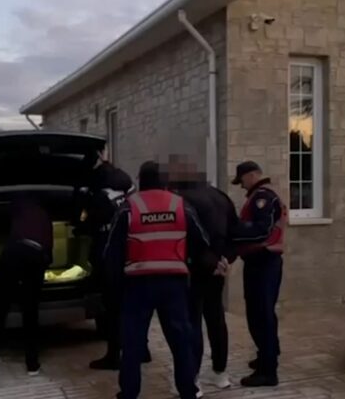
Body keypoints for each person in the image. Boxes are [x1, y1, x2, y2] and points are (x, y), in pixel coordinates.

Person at [104, 161, 212, 399]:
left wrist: (115, 287)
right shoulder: (180, 205)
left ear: (140, 180)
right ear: (164, 180)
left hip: (138, 285)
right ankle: (188, 391)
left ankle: (129, 393)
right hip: (173, 284)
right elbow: (202, 243)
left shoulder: (129, 207)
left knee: (132, 343)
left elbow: (112, 251)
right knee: (181, 341)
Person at [166, 156, 238, 390]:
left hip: (193, 268)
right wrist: (225, 260)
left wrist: (209, 261)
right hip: (218, 268)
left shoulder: (182, 200)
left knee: (192, 321)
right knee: (216, 318)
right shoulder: (220, 196)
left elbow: (191, 238)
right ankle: (220, 372)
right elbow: (235, 232)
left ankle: (192, 378)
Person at [84, 146, 152, 370]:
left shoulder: (97, 192)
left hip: (109, 252)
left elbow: (88, 221)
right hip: (132, 251)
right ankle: (142, 349)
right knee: (134, 304)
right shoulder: (127, 188)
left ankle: (114, 355)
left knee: (112, 307)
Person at [0, 192, 53, 385]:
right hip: (36, 255)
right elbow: (49, 254)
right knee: (30, 312)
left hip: (13, 253)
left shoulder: (14, 207)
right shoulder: (44, 215)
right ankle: (32, 365)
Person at [231, 161, 287, 387]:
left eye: (242, 180)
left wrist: (233, 230)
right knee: (261, 313)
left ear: (252, 175)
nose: (242, 185)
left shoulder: (262, 197)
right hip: (262, 262)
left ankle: (268, 370)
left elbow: (260, 230)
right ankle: (266, 355)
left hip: (263, 261)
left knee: (260, 315)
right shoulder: (261, 195)